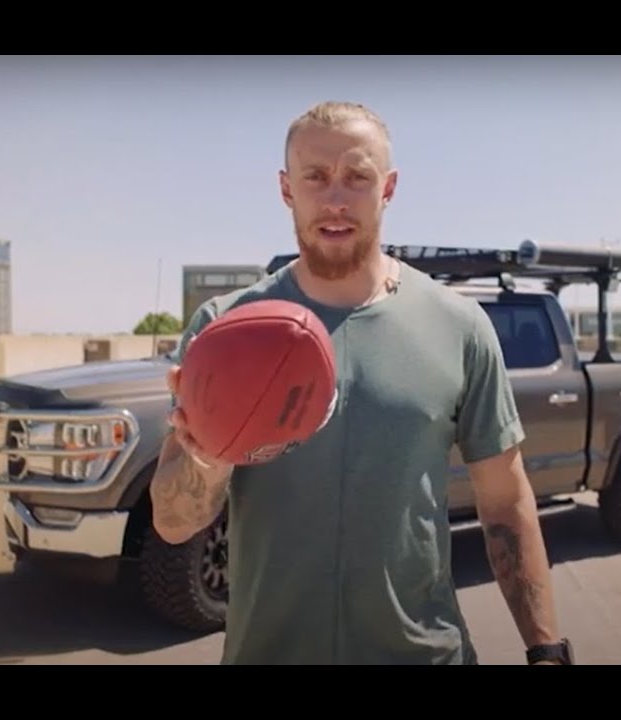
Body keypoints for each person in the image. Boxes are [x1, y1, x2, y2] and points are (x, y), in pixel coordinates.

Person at [149, 100, 572, 665]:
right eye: (316, 177)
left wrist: (545, 648)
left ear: (388, 187)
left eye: (357, 177)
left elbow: (505, 501)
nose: (336, 199)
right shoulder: (223, 333)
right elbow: (174, 525)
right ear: (285, 189)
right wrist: (209, 458)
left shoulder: (459, 325)